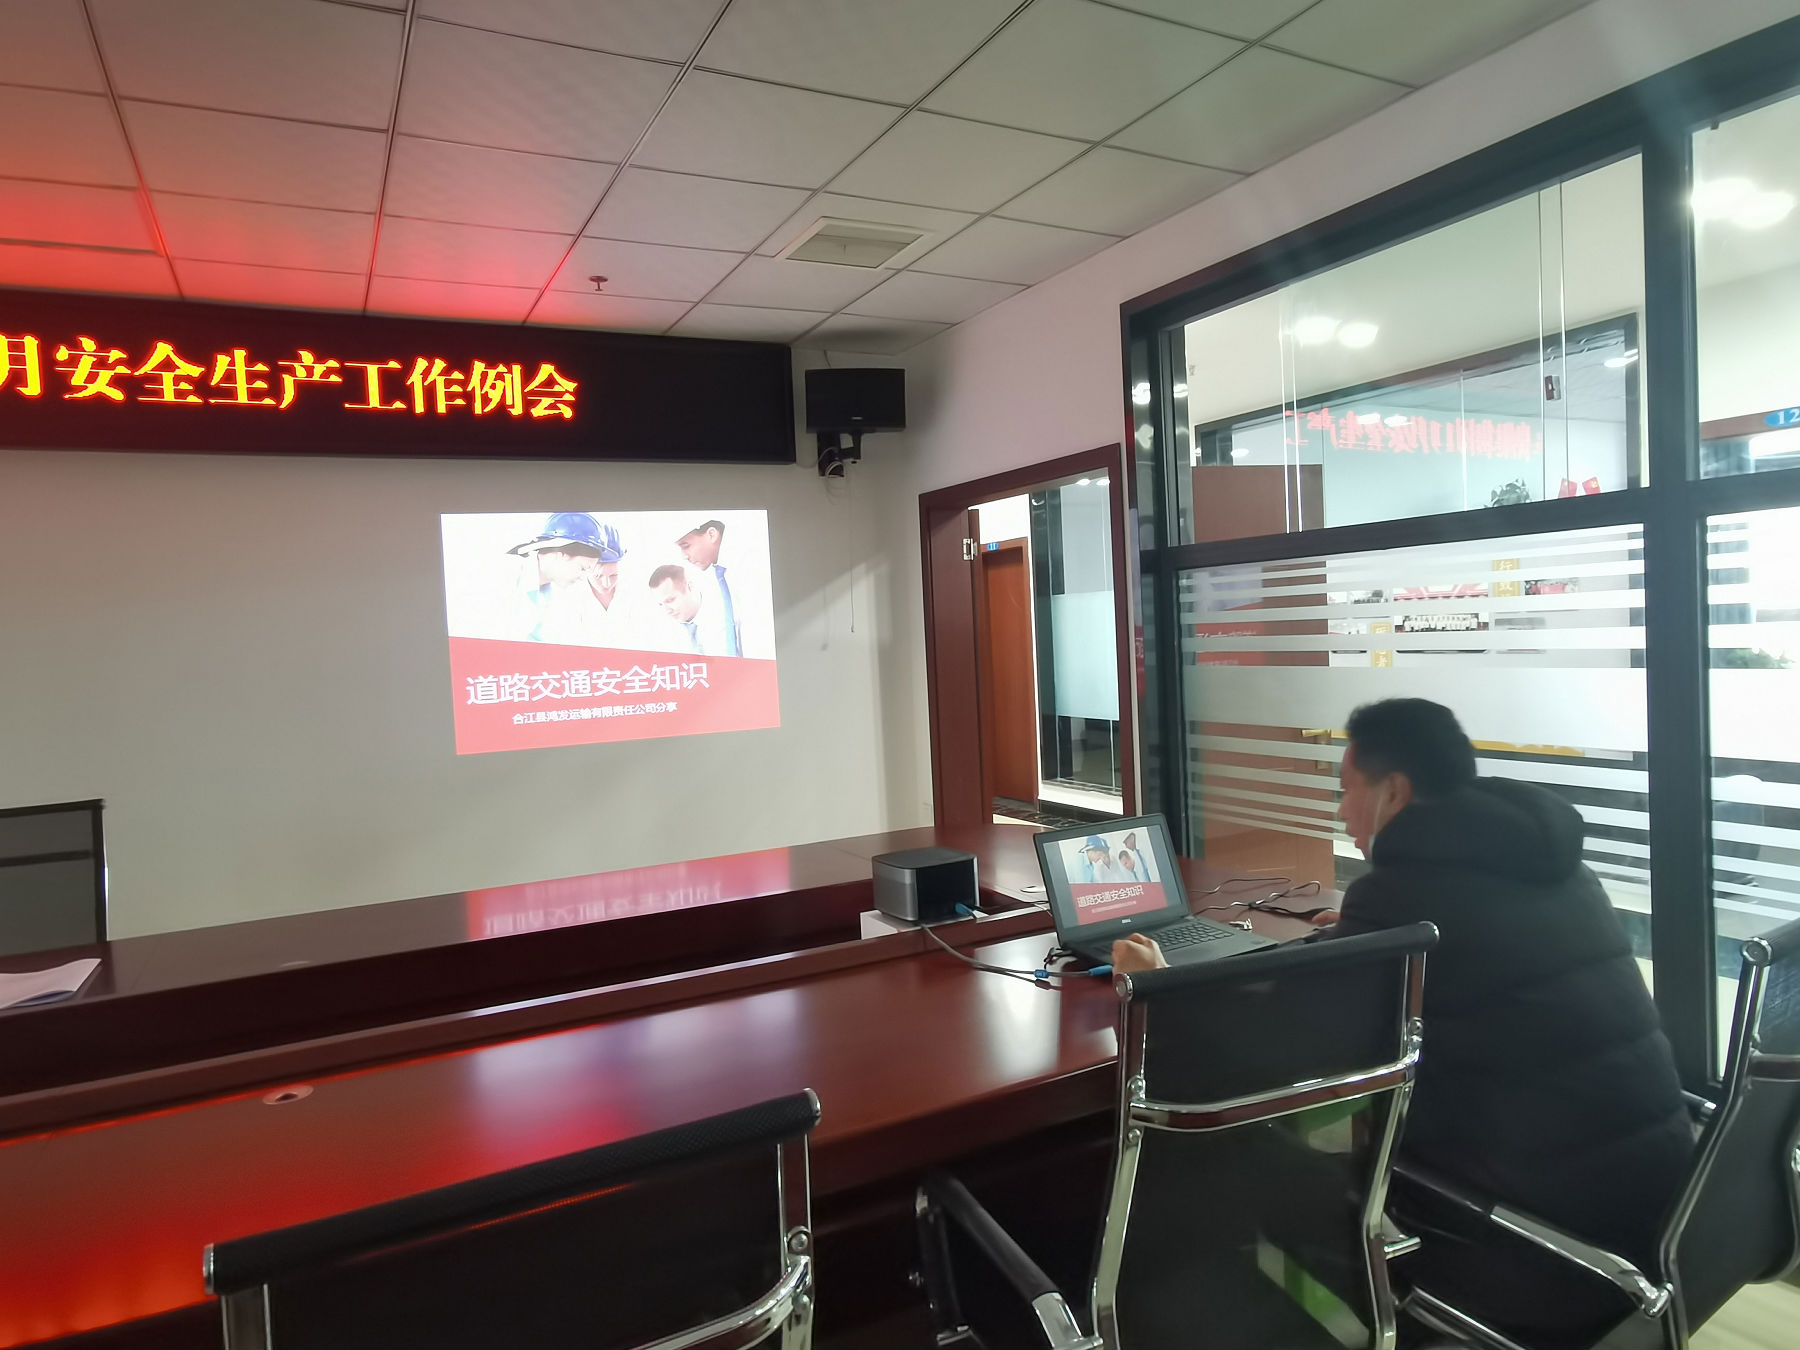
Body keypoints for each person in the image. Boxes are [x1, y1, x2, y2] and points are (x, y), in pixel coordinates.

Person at [1113, 699, 1692, 1341]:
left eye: (1346, 790)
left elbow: (1269, 1053)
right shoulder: (1555, 869)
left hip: (1537, 1248)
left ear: (1393, 791)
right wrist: (1362, 940)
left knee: (1240, 1153)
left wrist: (1157, 983)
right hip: (1663, 1217)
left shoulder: (1406, 895)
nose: (1341, 812)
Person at [676, 517, 771, 659]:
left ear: (711, 534)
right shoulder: (718, 573)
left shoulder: (751, 561)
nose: (684, 556)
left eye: (686, 546)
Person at [648, 563, 737, 657]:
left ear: (690, 587)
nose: (667, 611)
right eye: (661, 604)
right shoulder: (663, 632)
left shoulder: (726, 613)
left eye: (670, 600)